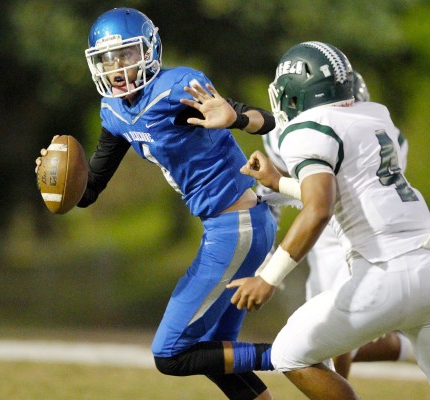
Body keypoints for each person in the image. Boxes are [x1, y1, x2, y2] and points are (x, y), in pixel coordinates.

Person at [35, 8, 280, 400]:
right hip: (232, 226)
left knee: (171, 353)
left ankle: (291, 353)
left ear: (149, 50)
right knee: (213, 354)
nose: (117, 68)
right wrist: (57, 180)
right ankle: (290, 360)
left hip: (237, 226)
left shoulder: (177, 87)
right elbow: (90, 191)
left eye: (126, 55)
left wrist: (235, 117)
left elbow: (264, 119)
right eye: (107, 60)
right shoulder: (114, 112)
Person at [227, 41, 430, 400]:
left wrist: (267, 278)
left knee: (287, 352)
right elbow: (340, 189)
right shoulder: (374, 116)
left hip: (385, 271)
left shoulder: (307, 128)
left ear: (293, 93)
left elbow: (319, 208)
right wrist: (278, 182)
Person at [182, 71, 415, 379]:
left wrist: (270, 270)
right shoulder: (289, 132)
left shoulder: (380, 136)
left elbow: (337, 199)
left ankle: (402, 348)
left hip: (355, 230)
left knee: (332, 328)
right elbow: (279, 191)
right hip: (321, 229)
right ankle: (409, 346)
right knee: (328, 330)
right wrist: (266, 249)